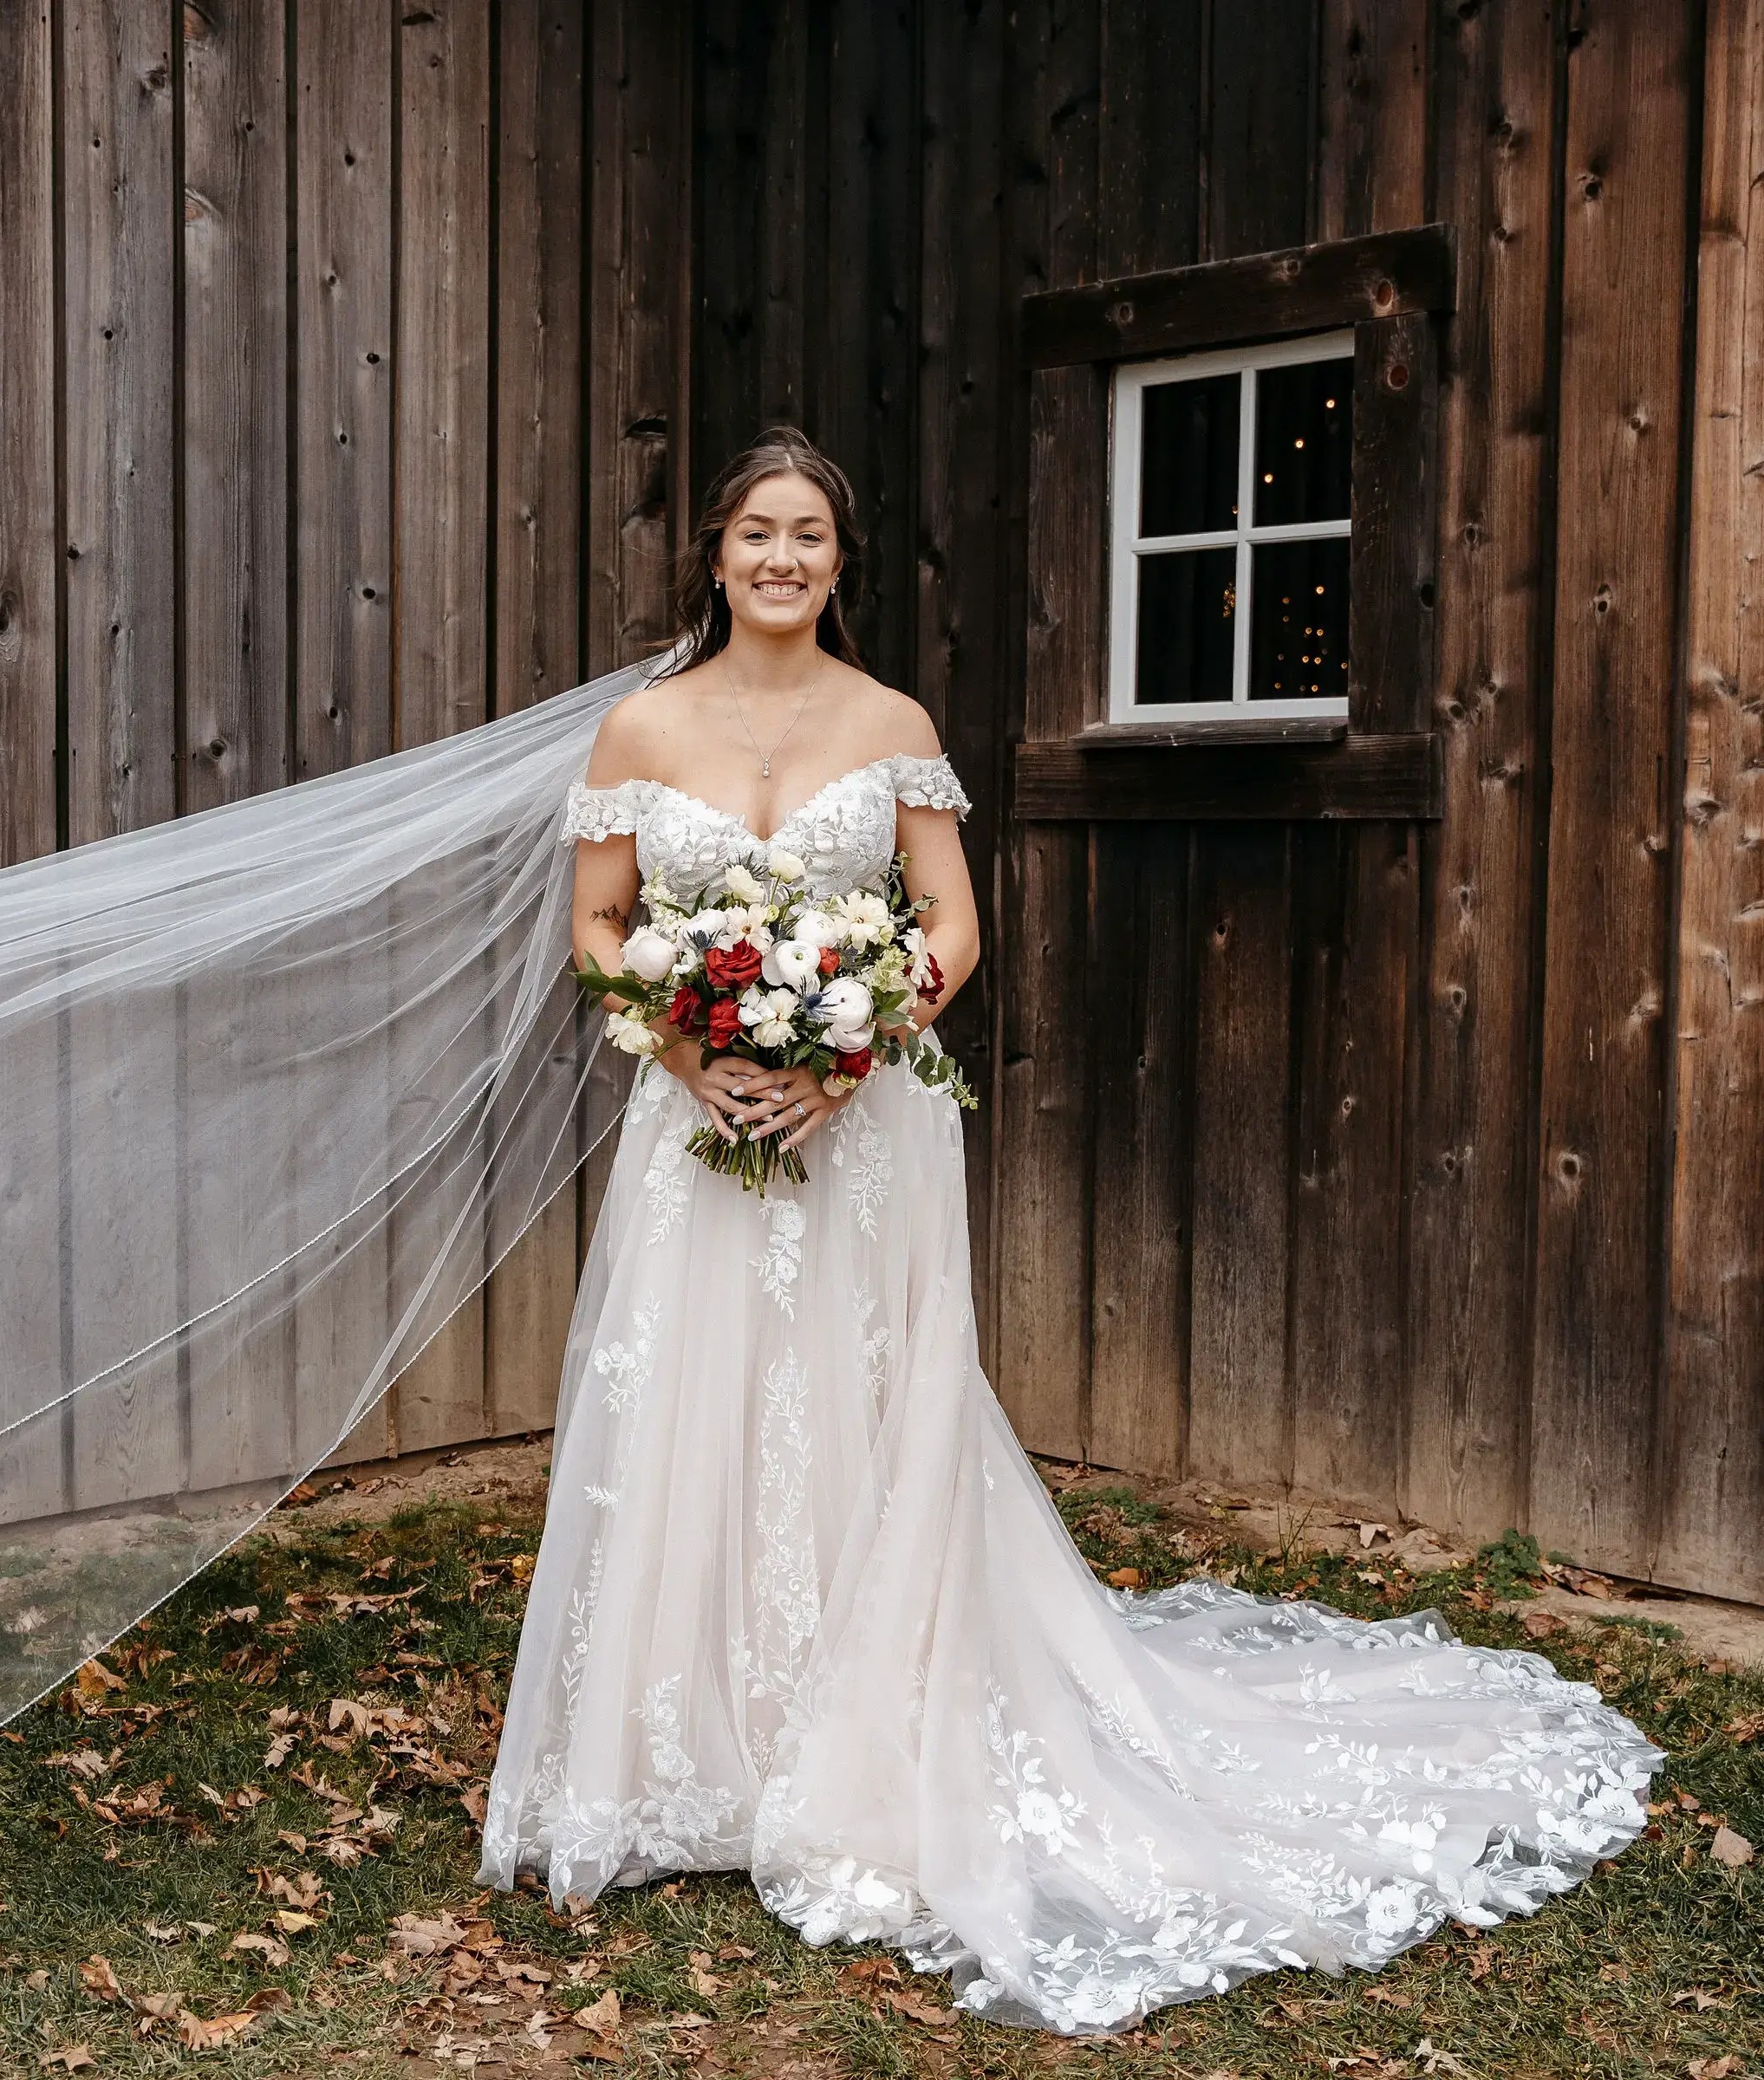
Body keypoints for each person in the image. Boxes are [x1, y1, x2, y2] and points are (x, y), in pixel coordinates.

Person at [478, 428, 1664, 2035]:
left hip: (861, 1121)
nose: (780, 559)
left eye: (810, 536)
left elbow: (953, 921)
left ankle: (869, 1722)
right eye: (756, 532)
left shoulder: (891, 723)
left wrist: (842, 1053)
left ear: (842, 562)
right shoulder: (642, 724)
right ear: (714, 554)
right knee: (697, 1403)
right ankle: (695, 1740)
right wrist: (701, 1054)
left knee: (865, 1403)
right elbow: (600, 925)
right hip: (699, 1126)